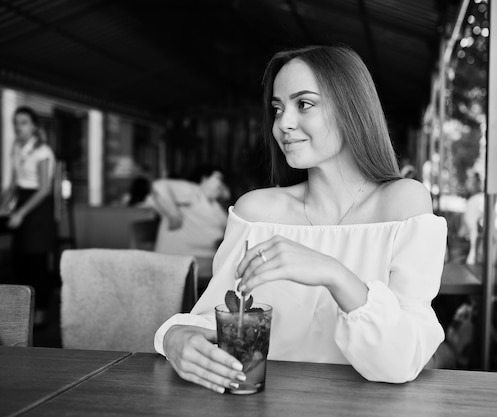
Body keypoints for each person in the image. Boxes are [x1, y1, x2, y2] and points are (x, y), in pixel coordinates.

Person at [154, 45, 447, 393]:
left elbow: (402, 361)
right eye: (277, 109)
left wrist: (333, 273)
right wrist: (176, 336)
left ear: (352, 107)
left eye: (304, 104)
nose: (283, 124)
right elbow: (220, 319)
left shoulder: (403, 204)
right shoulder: (256, 213)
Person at [0, 106, 57, 325]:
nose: (18, 127)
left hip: (39, 207)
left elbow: (44, 188)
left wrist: (21, 213)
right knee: (19, 260)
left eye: (23, 122)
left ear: (33, 125)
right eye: (16, 122)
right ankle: (22, 312)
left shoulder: (43, 151)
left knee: (37, 262)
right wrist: (4, 204)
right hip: (23, 199)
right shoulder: (17, 147)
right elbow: (14, 182)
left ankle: (41, 313)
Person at [150, 165, 230, 279]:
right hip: (182, 261)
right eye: (218, 179)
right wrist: (173, 215)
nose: (221, 184)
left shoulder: (213, 203)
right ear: (204, 179)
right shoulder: (194, 191)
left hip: (203, 260)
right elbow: (159, 186)